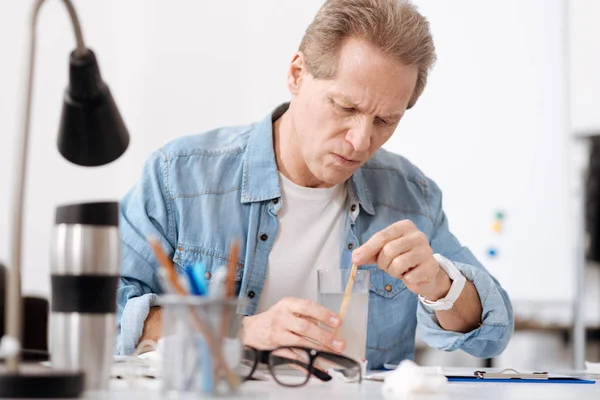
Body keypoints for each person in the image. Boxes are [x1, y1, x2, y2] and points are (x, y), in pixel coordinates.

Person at [116, 0, 514, 369]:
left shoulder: (412, 196)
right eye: (346, 107)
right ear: (296, 74)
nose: (361, 141)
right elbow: (107, 311)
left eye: (384, 121)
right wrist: (239, 332)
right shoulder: (180, 177)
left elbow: (492, 336)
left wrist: (439, 284)